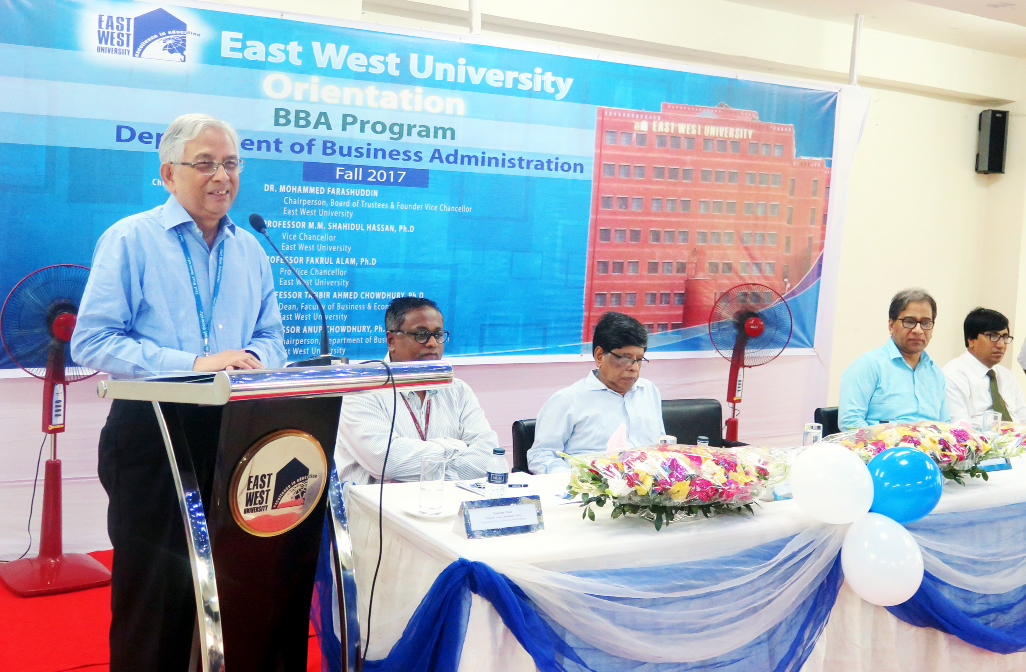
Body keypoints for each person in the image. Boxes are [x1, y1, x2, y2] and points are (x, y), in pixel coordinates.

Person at [71, 114, 285, 672]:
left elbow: (272, 335)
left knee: (238, 591)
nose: (222, 176)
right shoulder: (131, 239)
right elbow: (91, 341)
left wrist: (257, 359)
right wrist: (194, 364)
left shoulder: (251, 250)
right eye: (206, 163)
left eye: (232, 163)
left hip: (237, 435)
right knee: (156, 598)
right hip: (153, 433)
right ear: (169, 173)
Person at [334, 296, 498, 484]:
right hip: (378, 510)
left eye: (437, 335)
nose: (432, 344)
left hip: (448, 504)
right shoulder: (362, 391)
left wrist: (436, 477)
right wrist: (457, 448)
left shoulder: (458, 391)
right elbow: (387, 462)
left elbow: (488, 456)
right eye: (421, 335)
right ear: (391, 340)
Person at [528, 311, 665, 473]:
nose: (634, 368)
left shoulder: (649, 391)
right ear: (600, 356)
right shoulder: (568, 400)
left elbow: (661, 447)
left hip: (648, 490)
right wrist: (570, 480)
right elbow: (541, 455)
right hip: (592, 491)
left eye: (639, 359)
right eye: (626, 358)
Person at [838, 288, 949, 429]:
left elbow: (945, 426)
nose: (918, 330)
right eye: (909, 322)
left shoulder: (935, 373)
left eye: (926, 323)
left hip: (929, 450)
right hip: (882, 449)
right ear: (891, 325)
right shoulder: (868, 365)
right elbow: (850, 423)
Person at [944, 307, 1026, 425]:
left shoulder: (1007, 376)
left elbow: (1023, 420)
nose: (1001, 345)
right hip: (979, 441)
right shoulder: (954, 374)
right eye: (993, 336)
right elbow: (959, 426)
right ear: (971, 339)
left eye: (1004, 337)